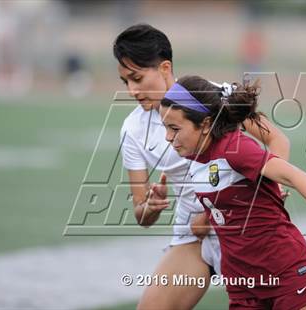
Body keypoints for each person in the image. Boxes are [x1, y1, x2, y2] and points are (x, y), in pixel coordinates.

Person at [113, 24, 291, 309]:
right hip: (193, 235)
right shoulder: (132, 129)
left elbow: (277, 141)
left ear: (164, 67)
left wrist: (274, 186)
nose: (132, 90)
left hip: (243, 227)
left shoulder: (212, 97)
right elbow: (141, 214)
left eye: (137, 78)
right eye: (125, 82)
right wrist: (150, 206)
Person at [159, 75, 306, 310]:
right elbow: (223, 204)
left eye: (174, 128)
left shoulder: (235, 148)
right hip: (243, 285)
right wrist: (203, 221)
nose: (167, 137)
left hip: (288, 272)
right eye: (164, 127)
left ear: (205, 124)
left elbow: (292, 175)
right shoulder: (194, 160)